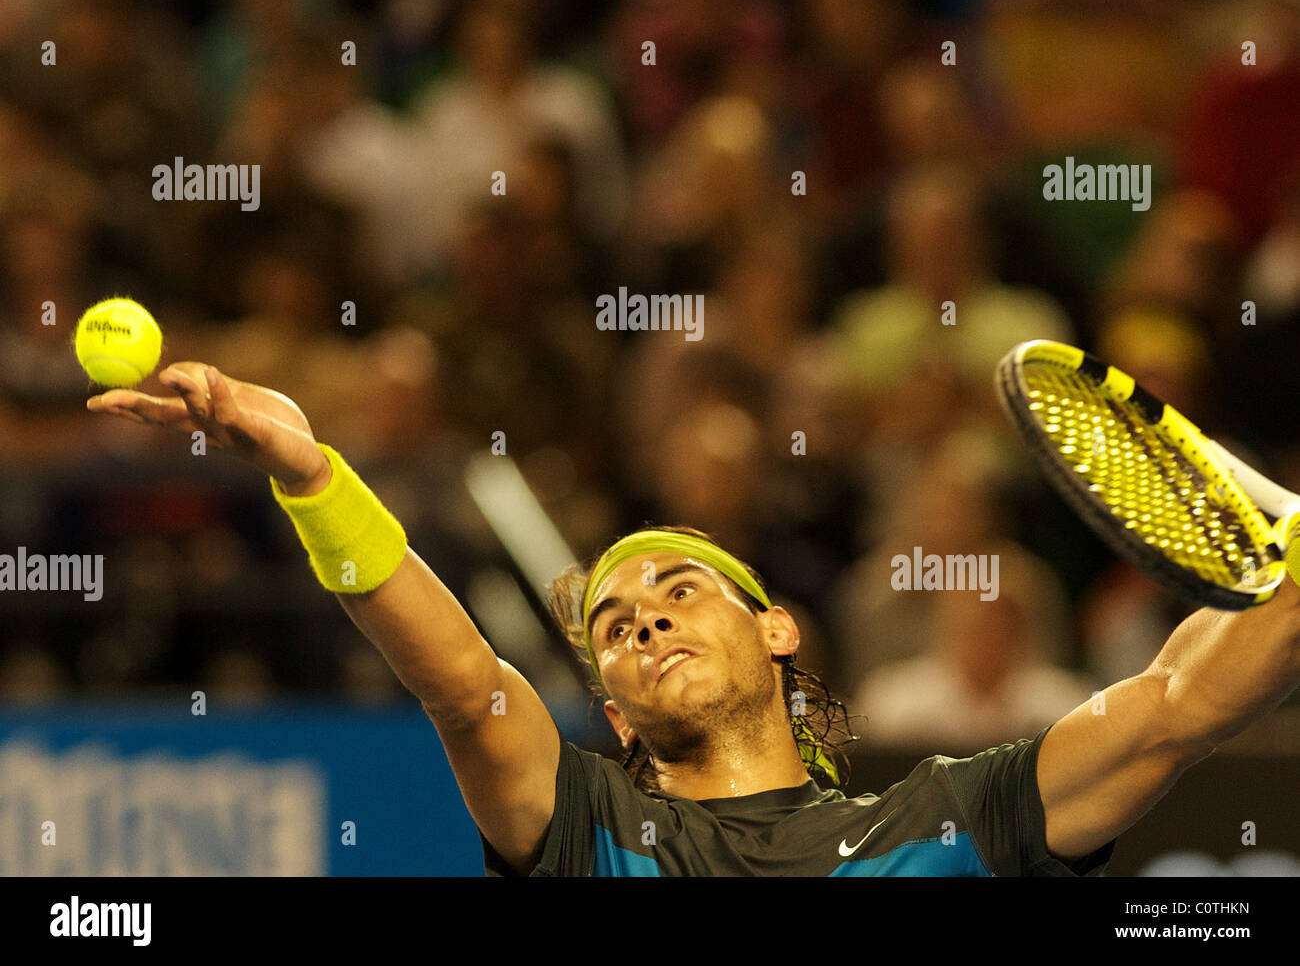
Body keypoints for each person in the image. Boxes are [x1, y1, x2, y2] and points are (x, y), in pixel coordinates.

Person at [89, 362, 1300, 876]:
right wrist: (313, 474)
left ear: (779, 630)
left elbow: (1185, 701)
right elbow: (464, 682)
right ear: (608, 705)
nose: (645, 622)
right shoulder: (584, 828)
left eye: (679, 592)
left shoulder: (956, 817)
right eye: (614, 624)